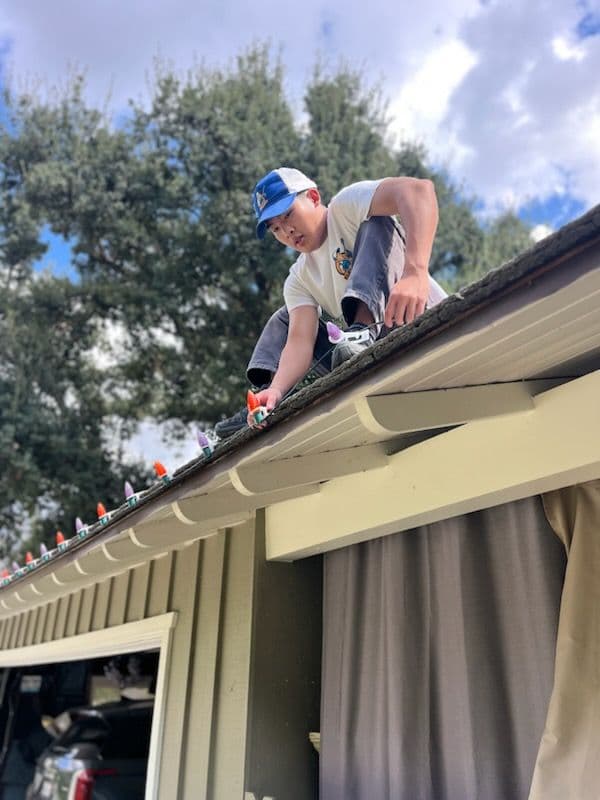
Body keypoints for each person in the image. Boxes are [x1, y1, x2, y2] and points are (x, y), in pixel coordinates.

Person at [214, 167, 447, 438]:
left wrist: (415, 271)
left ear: (313, 197)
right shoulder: (298, 278)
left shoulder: (344, 207)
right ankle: (266, 399)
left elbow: (418, 190)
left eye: (288, 215)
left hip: (415, 314)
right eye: (275, 228)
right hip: (372, 347)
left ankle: (362, 330)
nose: (287, 230)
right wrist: (277, 389)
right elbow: (300, 341)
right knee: (286, 319)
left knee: (375, 222)